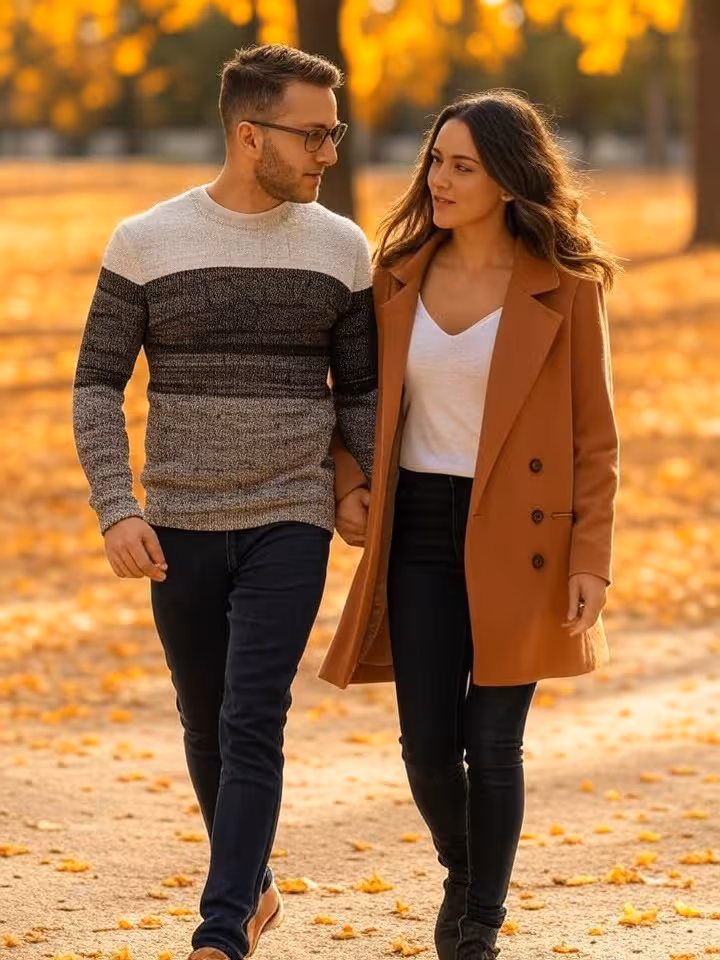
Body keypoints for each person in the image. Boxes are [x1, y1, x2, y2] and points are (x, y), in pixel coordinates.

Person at [72, 44, 376, 960]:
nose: (329, 152)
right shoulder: (146, 240)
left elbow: (359, 391)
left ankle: (220, 932)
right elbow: (96, 382)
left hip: (291, 510)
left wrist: (355, 483)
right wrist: (117, 505)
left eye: (335, 133)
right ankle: (254, 885)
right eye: (313, 134)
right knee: (203, 716)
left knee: (252, 712)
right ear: (250, 135)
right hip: (178, 519)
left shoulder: (342, 246)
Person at [319, 90, 620, 960]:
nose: (440, 180)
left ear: (509, 180)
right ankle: (468, 870)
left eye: (463, 166)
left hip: (522, 535)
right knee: (425, 749)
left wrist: (590, 561)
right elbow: (349, 401)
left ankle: (478, 921)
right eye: (436, 161)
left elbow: (595, 439)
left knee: (493, 743)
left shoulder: (567, 287)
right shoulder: (396, 273)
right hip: (415, 525)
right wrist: (348, 480)